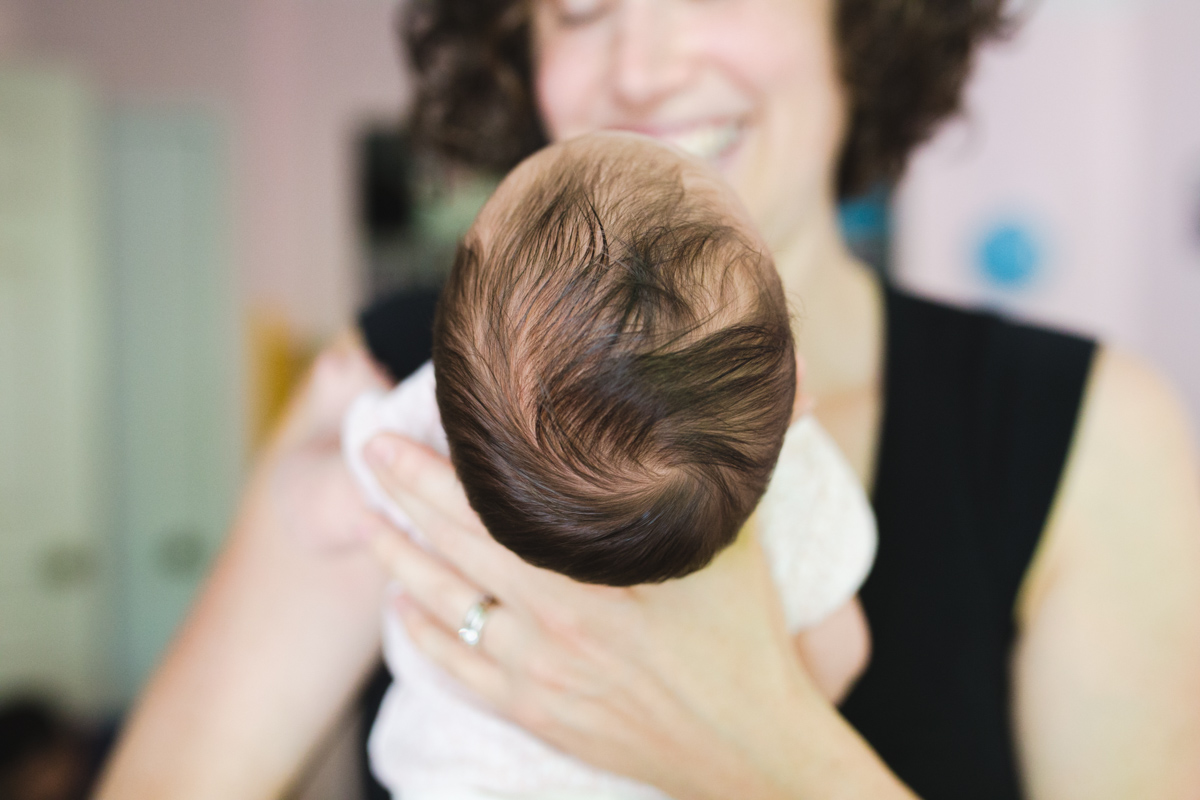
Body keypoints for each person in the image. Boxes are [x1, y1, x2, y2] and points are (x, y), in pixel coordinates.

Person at [95, 1, 1200, 798]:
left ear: (860, 22)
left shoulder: (1083, 429)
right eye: (578, 5)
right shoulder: (401, 376)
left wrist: (754, 744)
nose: (644, 62)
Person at [341, 132, 875, 797]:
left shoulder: (422, 424)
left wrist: (348, 414)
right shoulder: (801, 489)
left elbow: (370, 461)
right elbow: (842, 652)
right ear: (794, 387)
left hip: (461, 775)